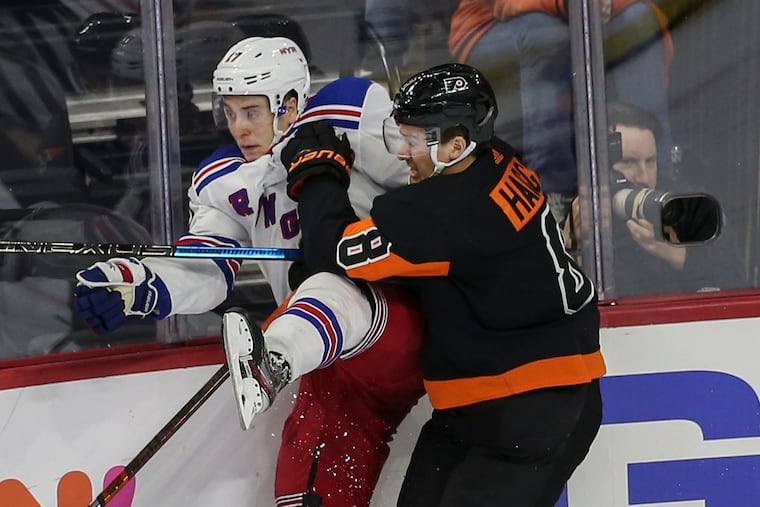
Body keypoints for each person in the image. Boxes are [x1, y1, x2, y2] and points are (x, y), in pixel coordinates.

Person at [73, 35, 426, 507]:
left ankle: (272, 360)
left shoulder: (347, 114)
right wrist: (135, 284)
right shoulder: (223, 180)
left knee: (324, 284)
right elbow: (207, 267)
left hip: (403, 316)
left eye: (252, 111)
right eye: (230, 112)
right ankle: (278, 358)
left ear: (291, 104)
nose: (238, 127)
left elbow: (429, 175)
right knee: (305, 491)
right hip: (330, 361)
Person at [231, 62, 605, 506]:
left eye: (412, 140)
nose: (402, 152)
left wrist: (318, 176)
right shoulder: (496, 158)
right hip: (492, 402)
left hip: (529, 412)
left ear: (457, 144)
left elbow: (337, 252)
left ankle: (276, 360)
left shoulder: (445, 212)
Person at [448, 0, 674, 223]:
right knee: (546, 31)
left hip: (592, 14)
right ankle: (552, 195)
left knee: (638, 20)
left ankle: (658, 187)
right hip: (496, 22)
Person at [563, 101, 746, 297]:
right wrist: (572, 247)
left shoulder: (685, 205)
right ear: (595, 169)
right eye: (628, 162)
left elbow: (736, 287)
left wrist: (682, 258)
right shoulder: (576, 214)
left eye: (650, 161)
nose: (643, 176)